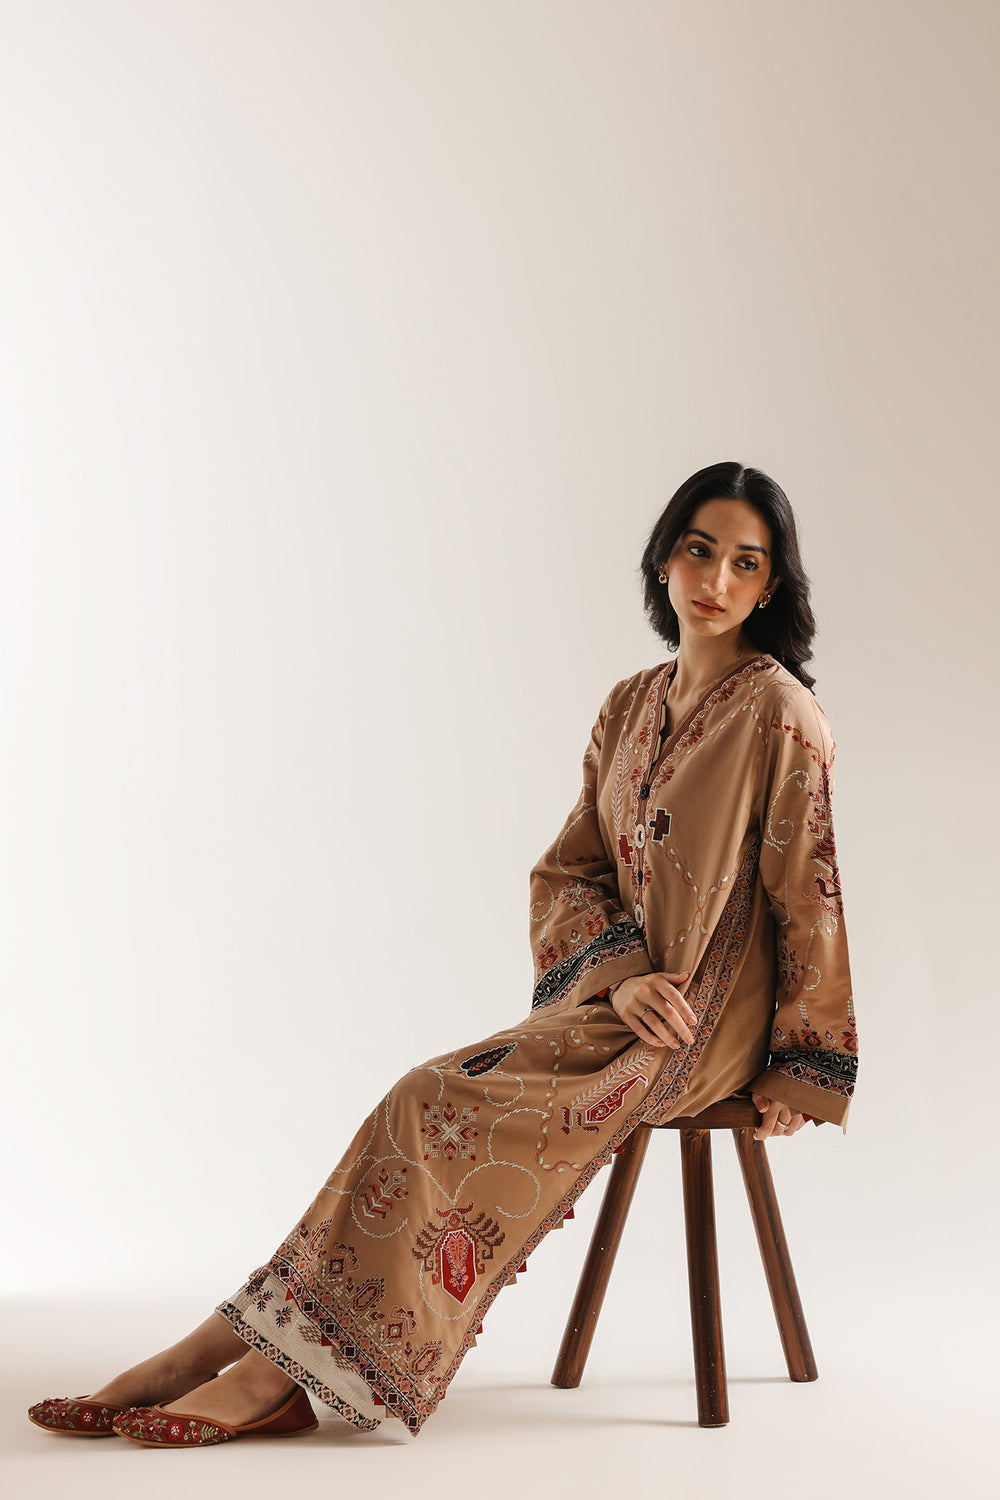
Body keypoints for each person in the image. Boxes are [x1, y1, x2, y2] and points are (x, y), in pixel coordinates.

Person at [27, 460, 858, 1447]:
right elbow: (569, 870)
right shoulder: (628, 707)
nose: (715, 579)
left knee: (429, 1099)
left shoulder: (780, 714)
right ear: (663, 559)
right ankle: (228, 1354)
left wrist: (799, 1066)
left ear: (771, 586)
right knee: (417, 1100)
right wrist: (622, 975)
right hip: (623, 1003)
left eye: (744, 562)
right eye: (698, 549)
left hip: (702, 1027)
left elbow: (808, 889)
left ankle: (258, 1371)